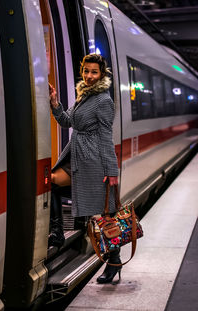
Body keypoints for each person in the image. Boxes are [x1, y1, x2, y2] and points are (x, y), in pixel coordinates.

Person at [49, 53, 121, 283]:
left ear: (102, 74)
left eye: (94, 72)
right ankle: (58, 232)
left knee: (106, 216)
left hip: (94, 162)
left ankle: (114, 262)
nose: (89, 76)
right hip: (77, 157)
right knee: (51, 181)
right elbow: (66, 121)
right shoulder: (85, 95)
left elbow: (106, 137)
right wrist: (54, 103)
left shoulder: (103, 100)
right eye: (86, 71)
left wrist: (111, 172)